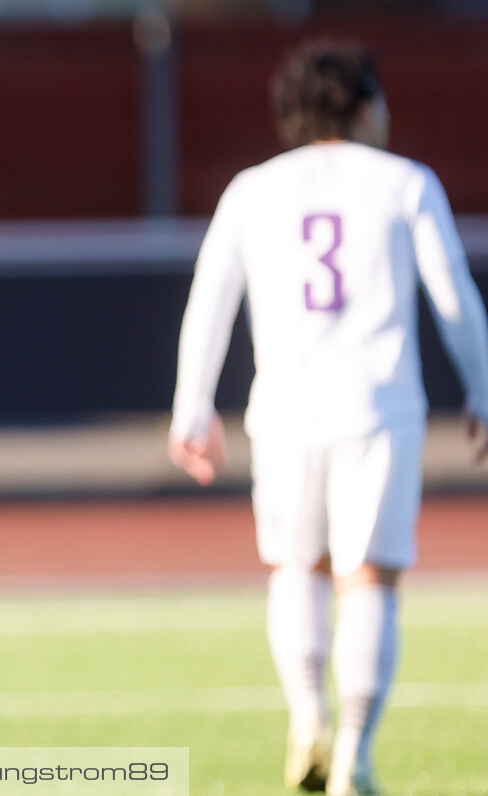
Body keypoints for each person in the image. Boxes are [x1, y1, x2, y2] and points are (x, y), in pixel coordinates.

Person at [169, 39, 488, 796]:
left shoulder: (252, 188)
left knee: (295, 567)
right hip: (379, 407)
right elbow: (455, 297)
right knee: (370, 576)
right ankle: (355, 748)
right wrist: (482, 387)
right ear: (368, 105)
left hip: (282, 410)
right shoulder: (406, 182)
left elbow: (210, 298)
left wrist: (192, 402)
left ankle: (306, 711)